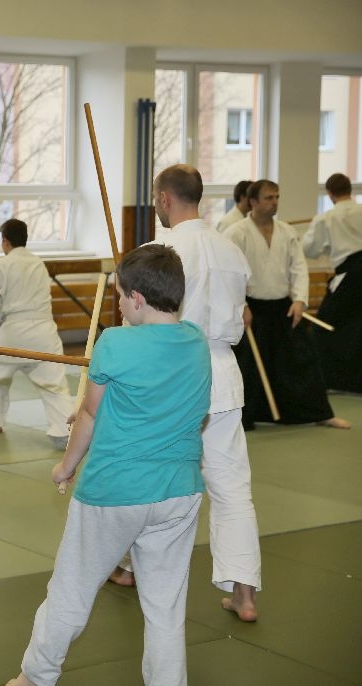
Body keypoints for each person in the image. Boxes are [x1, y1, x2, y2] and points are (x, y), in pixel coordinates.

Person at [6, 244, 212, 686]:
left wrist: (65, 467)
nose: (117, 303)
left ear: (137, 299)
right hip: (179, 490)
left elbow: (89, 415)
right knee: (165, 607)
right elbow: (189, 411)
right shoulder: (196, 340)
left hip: (114, 491)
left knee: (71, 590)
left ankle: (35, 677)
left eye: (120, 295)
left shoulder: (115, 341)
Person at [145, 164, 263, 621]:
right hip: (223, 375)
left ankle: (133, 565)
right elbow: (241, 314)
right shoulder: (231, 248)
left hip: (173, 375)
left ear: (164, 197)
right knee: (233, 488)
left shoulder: (160, 250)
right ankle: (245, 594)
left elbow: (140, 322)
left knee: (155, 479)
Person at [223, 180, 350, 429]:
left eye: (277, 197)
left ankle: (320, 414)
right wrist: (241, 306)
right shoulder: (236, 233)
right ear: (253, 201)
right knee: (248, 367)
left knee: (302, 360)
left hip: (283, 307)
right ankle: (241, 419)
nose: (275, 202)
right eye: (269, 198)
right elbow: (230, 273)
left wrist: (300, 300)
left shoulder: (287, 232)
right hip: (251, 309)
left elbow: (299, 268)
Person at [0, 219, 73, 450]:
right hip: (44, 332)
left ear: (5, 241)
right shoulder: (38, 264)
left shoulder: (0, 265)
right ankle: (65, 431)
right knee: (54, 385)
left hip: (13, 333)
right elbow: (26, 299)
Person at [301, 172, 362, 393]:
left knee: (323, 326)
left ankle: (329, 379)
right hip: (352, 272)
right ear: (350, 190)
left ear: (330, 193)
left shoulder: (326, 218)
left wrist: (329, 244)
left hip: (350, 275)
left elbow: (310, 249)